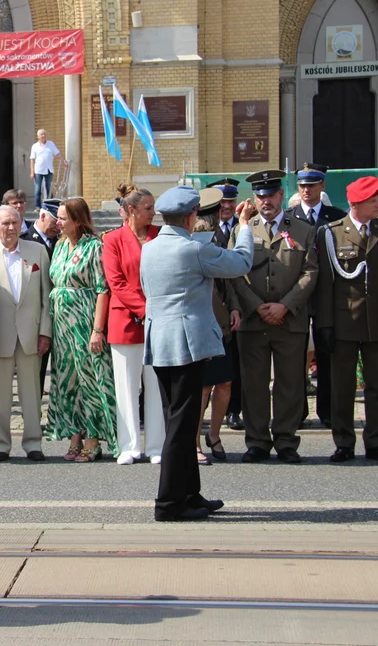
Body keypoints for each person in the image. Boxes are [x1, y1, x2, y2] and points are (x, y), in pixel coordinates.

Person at [140, 185, 252, 522]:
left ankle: (189, 494)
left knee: (180, 419)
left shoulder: (151, 247)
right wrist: (244, 227)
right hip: (186, 342)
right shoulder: (192, 249)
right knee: (182, 425)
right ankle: (170, 503)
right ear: (191, 217)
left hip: (160, 341)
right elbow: (241, 262)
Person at [315, 176, 378, 464]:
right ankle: (344, 442)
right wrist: (325, 324)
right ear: (358, 204)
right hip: (343, 323)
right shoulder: (331, 233)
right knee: (341, 387)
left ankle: (376, 442)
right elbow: (326, 284)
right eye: (375, 200)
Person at [231, 170, 318, 464]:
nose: (265, 201)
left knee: (290, 383)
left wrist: (285, 306)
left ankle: (286, 440)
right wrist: (256, 306)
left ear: (281, 195)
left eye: (271, 194)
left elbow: (310, 272)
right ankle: (257, 441)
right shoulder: (243, 230)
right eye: (260, 196)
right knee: (253, 384)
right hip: (254, 320)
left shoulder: (303, 230)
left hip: (289, 319)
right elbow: (235, 273)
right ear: (254, 198)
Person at [0, 205, 52, 461]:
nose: (11, 227)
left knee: (31, 394)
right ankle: (0, 444)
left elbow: (46, 297)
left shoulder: (38, 252)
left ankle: (33, 443)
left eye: (15, 222)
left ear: (22, 224)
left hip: (31, 333)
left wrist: (45, 332)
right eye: (5, 223)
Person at [47, 198, 117, 462]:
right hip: (62, 325)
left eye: (63, 218)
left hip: (85, 321)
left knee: (90, 380)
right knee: (68, 382)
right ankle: (74, 436)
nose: (58, 222)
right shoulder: (60, 245)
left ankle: (93, 440)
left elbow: (102, 289)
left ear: (77, 220)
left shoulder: (95, 247)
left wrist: (97, 330)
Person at [102, 184, 164, 465]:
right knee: (126, 386)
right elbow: (116, 282)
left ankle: (156, 446)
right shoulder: (112, 239)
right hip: (125, 319)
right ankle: (129, 445)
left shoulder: (160, 235)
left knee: (155, 383)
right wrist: (144, 308)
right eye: (148, 208)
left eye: (153, 207)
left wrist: (154, 310)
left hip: (158, 320)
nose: (153, 213)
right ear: (130, 211)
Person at [289, 163, 346, 428]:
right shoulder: (289, 217)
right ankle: (297, 411)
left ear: (322, 186)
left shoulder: (336, 216)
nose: (306, 191)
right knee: (296, 355)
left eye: (311, 186)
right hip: (298, 294)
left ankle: (328, 411)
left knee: (327, 354)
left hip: (327, 295)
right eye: (302, 186)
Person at [192, 190, 242, 466]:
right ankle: (195, 440)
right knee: (203, 387)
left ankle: (214, 433)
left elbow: (230, 279)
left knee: (224, 383)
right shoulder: (195, 241)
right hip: (202, 321)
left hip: (222, 320)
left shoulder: (220, 239)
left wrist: (234, 307)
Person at [29, 129, 60, 209]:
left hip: (49, 169)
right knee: (38, 189)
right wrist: (32, 172)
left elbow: (57, 153)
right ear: (38, 136)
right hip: (38, 170)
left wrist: (63, 161)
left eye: (44, 134)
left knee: (49, 188)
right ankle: (38, 206)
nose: (43, 136)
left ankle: (51, 206)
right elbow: (32, 159)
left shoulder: (51, 144)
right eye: (41, 134)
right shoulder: (35, 146)